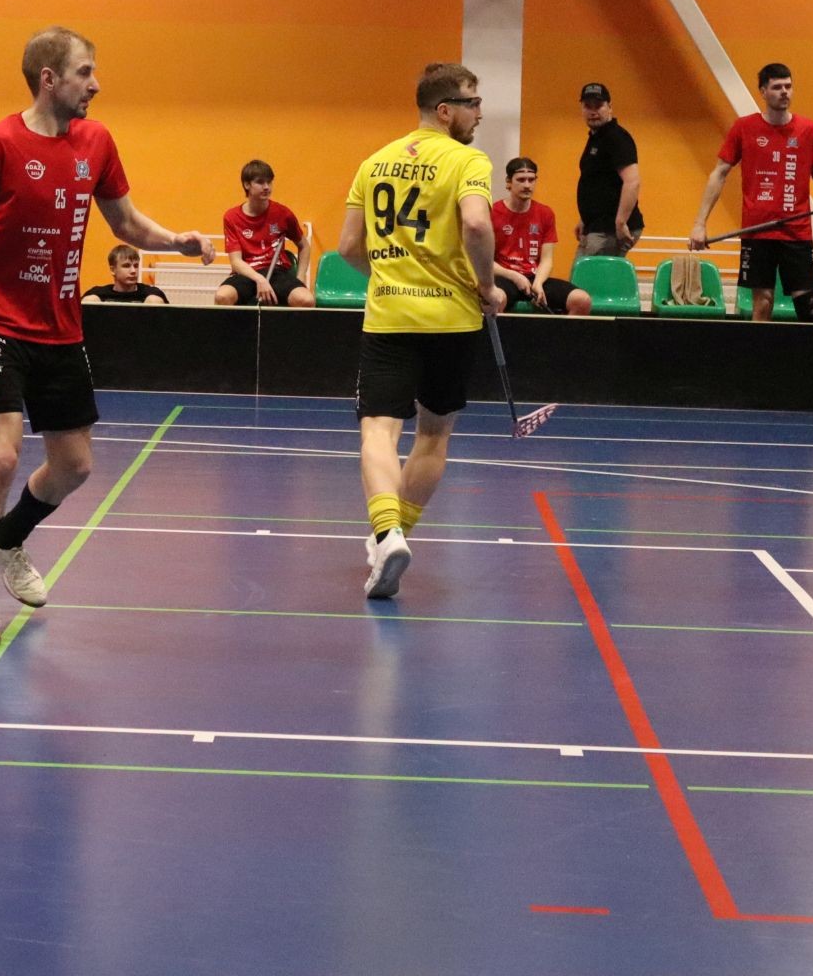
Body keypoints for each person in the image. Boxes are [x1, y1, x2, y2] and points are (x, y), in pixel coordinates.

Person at [0, 26, 215, 646]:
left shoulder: (97, 141)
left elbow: (125, 221)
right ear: (49, 79)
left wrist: (176, 241)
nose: (96, 84)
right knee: (1, 457)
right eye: (85, 72)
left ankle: (10, 540)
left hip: (62, 329)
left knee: (74, 466)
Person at [337, 62, 504, 601]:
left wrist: (388, 275)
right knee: (433, 435)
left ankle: (386, 535)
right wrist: (486, 286)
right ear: (446, 110)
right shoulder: (468, 160)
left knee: (378, 431)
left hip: (390, 316)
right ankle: (393, 537)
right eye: (473, 104)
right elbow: (476, 223)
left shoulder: (373, 163)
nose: (480, 114)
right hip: (453, 320)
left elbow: (348, 247)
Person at [688, 63, 813, 323]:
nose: (784, 92)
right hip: (758, 231)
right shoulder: (744, 128)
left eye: (788, 86)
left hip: (796, 232)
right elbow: (718, 174)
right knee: (763, 303)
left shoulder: (808, 130)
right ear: (763, 91)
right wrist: (700, 224)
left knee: (807, 307)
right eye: (777, 87)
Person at [495, 158, 592, 316]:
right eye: (521, 180)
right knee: (495, 299)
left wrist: (538, 283)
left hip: (534, 278)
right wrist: (515, 276)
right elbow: (484, 262)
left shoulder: (545, 213)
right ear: (508, 182)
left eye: (531, 180)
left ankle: (563, 334)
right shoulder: (492, 212)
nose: (527, 185)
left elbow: (547, 259)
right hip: (505, 278)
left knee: (582, 300)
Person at [214, 159, 315, 308]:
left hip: (277, 273)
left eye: (269, 182)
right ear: (247, 185)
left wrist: (300, 278)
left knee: (306, 300)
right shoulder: (231, 217)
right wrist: (259, 279)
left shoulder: (283, 213)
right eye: (260, 182)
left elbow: (304, 246)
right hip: (246, 274)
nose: (267, 187)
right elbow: (236, 261)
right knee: (222, 296)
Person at [574, 82, 644, 260]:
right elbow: (597, 182)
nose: (593, 112)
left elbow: (632, 182)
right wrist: (585, 219)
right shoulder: (597, 137)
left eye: (598, 106)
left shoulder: (616, 138)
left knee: (586, 275)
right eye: (587, 106)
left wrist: (620, 222)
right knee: (582, 273)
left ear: (609, 107)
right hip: (598, 226)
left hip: (609, 230)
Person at [84, 243, 169, 305]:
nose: (133, 271)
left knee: (154, 300)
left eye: (136, 266)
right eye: (126, 266)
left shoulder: (152, 293)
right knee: (90, 300)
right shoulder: (98, 294)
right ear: (113, 270)